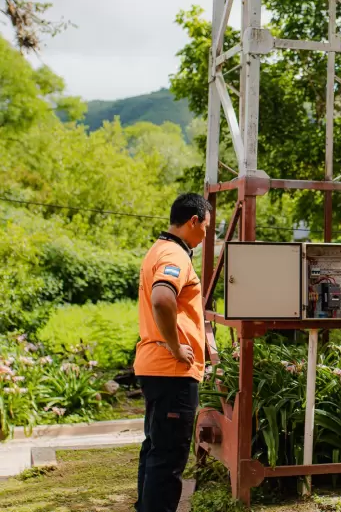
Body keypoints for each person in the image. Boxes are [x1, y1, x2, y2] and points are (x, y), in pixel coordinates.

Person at [134, 193, 212, 512]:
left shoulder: (158, 249)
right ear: (193, 221)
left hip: (155, 368)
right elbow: (163, 298)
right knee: (168, 459)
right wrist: (176, 346)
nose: (208, 234)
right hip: (172, 371)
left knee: (155, 449)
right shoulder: (175, 255)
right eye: (207, 226)